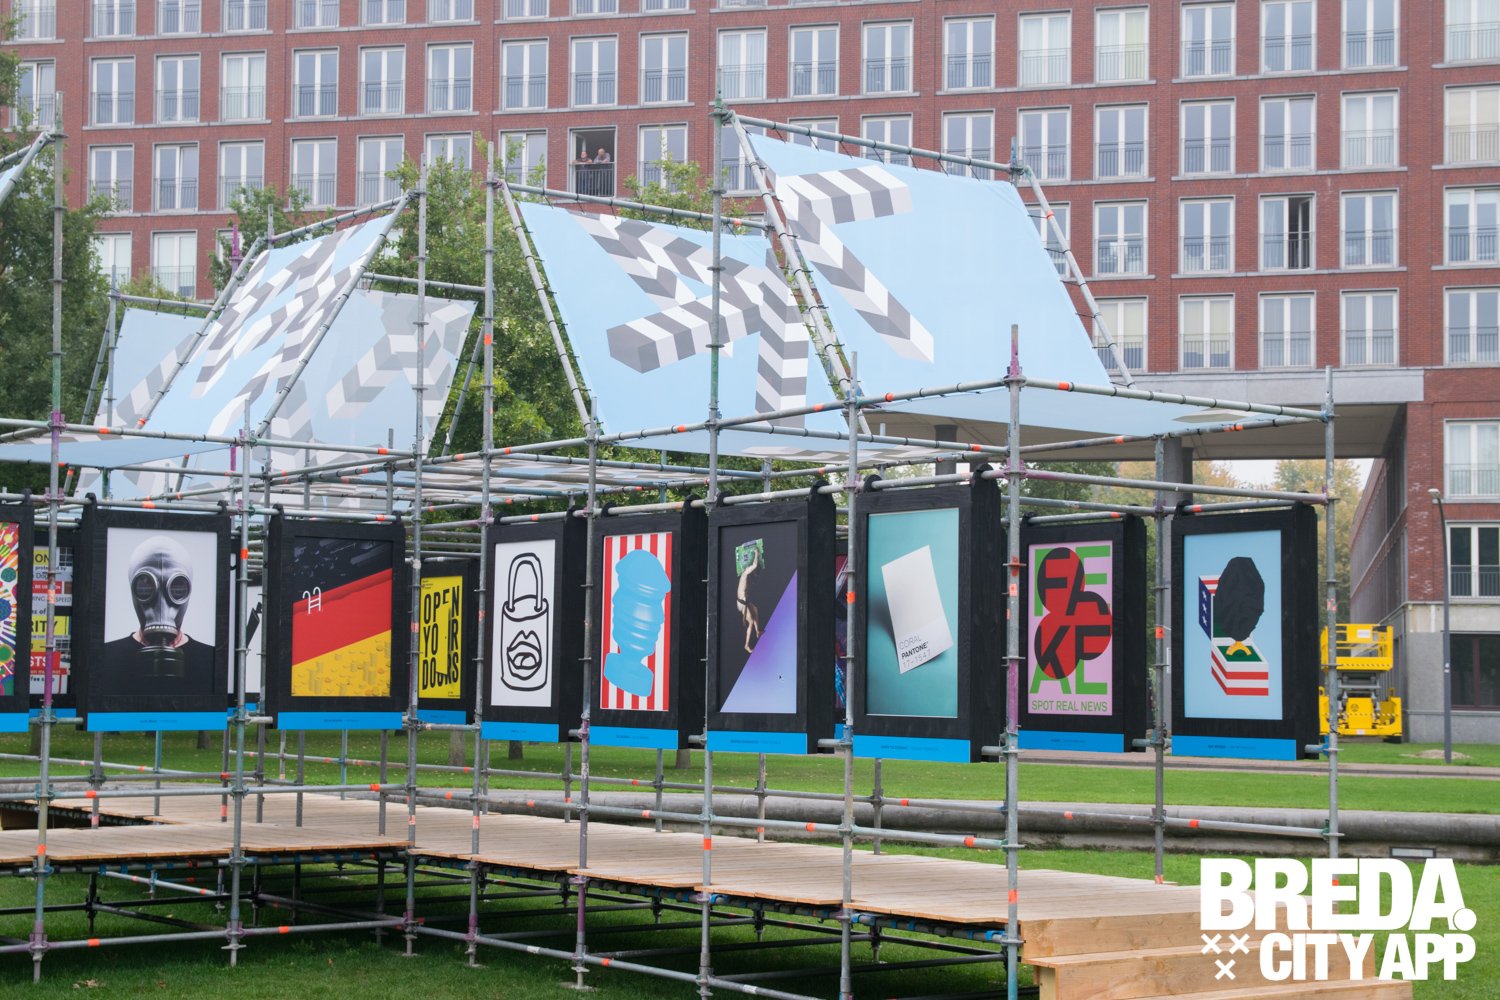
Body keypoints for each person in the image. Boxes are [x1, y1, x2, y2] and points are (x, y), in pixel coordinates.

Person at [96, 535, 216, 696]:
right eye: (146, 585)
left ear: (189, 591)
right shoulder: (104, 658)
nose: (161, 605)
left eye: (176, 587)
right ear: (132, 590)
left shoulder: (212, 660)